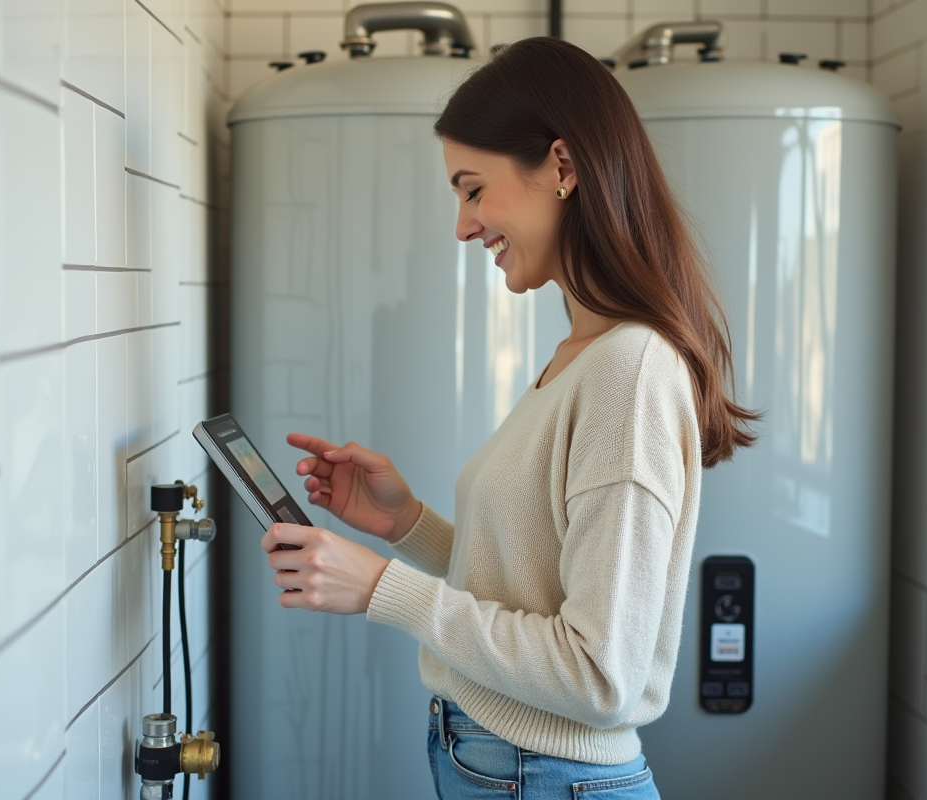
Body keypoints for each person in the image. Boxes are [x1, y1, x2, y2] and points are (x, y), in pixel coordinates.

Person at [262, 37, 758, 799]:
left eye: (471, 189)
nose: (463, 226)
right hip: (517, 770)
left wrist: (383, 589)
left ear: (562, 168)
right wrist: (408, 525)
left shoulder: (628, 370)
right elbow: (538, 586)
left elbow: (599, 673)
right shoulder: (583, 358)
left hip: (547, 779)